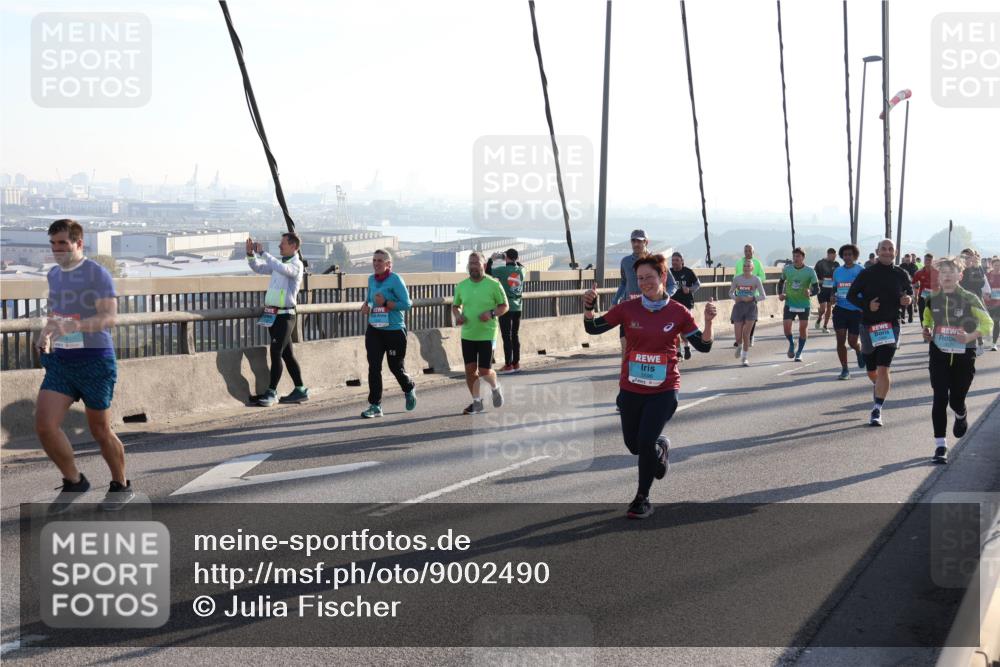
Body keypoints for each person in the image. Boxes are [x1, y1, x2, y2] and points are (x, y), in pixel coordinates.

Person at [582, 254, 716, 519]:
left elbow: (704, 345)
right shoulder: (627, 308)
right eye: (640, 278)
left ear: (663, 277)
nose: (644, 283)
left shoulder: (678, 312)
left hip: (664, 389)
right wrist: (589, 306)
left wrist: (709, 321)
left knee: (644, 442)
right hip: (631, 388)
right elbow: (593, 328)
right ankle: (660, 448)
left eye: (650, 277)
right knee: (634, 445)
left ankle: (641, 498)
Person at [35, 219, 134, 513]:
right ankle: (74, 480)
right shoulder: (54, 274)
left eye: (62, 243)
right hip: (62, 362)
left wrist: (73, 326)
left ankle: (121, 485)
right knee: (44, 425)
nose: (57, 250)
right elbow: (56, 313)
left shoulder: (96, 274)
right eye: (52, 244)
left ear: (79, 243)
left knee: (100, 431)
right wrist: (45, 334)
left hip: (95, 361)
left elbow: (108, 318)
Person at [920, 257, 992, 463]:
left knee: (956, 400)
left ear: (960, 276)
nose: (947, 275)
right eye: (943, 272)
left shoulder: (970, 298)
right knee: (940, 397)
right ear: (939, 277)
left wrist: (969, 337)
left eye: (952, 271)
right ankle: (940, 446)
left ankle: (960, 414)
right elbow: (927, 320)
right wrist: (926, 331)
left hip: (964, 355)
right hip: (939, 353)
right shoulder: (932, 298)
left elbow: (987, 324)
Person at [846, 238, 914, 426]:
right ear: (877, 251)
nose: (887, 251)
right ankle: (878, 388)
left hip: (891, 325)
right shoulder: (867, 274)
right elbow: (851, 295)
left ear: (895, 252)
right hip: (868, 326)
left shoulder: (901, 273)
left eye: (890, 249)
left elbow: (909, 292)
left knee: (884, 368)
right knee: (872, 370)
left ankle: (877, 409)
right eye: (883, 249)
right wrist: (866, 305)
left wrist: (907, 299)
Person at [246, 234, 308, 406]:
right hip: (273, 315)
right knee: (287, 355)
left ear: (293, 246)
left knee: (276, 352)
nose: (280, 246)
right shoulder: (279, 264)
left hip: (286, 316)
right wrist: (251, 254)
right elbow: (258, 268)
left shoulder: (296, 265)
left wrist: (264, 253)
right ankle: (300, 389)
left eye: (283, 244)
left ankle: (271, 392)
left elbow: (282, 268)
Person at [359, 249, 416, 418]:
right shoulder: (371, 279)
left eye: (380, 261)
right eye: (374, 260)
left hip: (394, 330)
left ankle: (409, 387)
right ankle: (375, 405)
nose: (376, 264)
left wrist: (385, 302)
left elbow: (407, 304)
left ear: (388, 264)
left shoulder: (395, 280)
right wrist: (366, 306)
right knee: (374, 367)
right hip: (375, 329)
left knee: (395, 367)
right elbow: (370, 298)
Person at [452, 251, 509, 414]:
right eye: (471, 263)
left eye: (476, 263)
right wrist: (458, 316)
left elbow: (504, 306)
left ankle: (495, 386)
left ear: (484, 265)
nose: (473, 266)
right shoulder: (461, 286)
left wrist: (491, 314)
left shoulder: (494, 284)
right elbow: (455, 306)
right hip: (468, 334)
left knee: (484, 370)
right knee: (470, 370)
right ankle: (477, 402)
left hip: (487, 333)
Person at [614, 230, 677, 358]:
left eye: (639, 241)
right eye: (633, 241)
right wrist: (614, 302)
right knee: (625, 348)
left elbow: (672, 284)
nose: (636, 244)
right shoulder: (625, 262)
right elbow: (623, 283)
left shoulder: (657, 261)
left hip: (652, 310)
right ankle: (625, 376)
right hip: (629, 310)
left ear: (646, 242)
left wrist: (664, 298)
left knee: (649, 349)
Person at [486, 248, 525, 373]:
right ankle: (516, 363)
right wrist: (509, 258)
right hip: (518, 306)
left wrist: (491, 259)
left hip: (506, 306)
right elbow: (521, 265)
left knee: (506, 336)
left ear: (506, 257)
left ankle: (508, 365)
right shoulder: (521, 270)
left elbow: (488, 273)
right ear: (517, 258)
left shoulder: (502, 270)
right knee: (515, 334)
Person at [777, 247, 820, 362]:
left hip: (804, 304)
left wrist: (810, 292)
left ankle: (799, 353)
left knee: (802, 329)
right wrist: (780, 294)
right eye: (794, 256)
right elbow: (781, 282)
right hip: (790, 302)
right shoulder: (787, 269)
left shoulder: (810, 271)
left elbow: (817, 288)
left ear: (803, 258)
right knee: (786, 329)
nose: (796, 258)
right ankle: (792, 344)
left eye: (798, 256)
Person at [831, 244, 865, 380]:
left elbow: (866, 288)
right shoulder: (837, 271)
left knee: (852, 341)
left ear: (855, 256)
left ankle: (858, 350)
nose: (847, 257)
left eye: (850, 254)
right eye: (845, 255)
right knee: (840, 340)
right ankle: (845, 369)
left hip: (856, 310)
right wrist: (833, 296)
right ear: (842, 256)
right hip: (840, 309)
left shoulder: (861, 270)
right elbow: (834, 287)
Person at [729, 258, 766, 366]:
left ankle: (745, 358)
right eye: (744, 266)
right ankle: (739, 346)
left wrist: (753, 298)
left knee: (746, 334)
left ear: (752, 268)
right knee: (738, 337)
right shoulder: (737, 279)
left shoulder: (756, 280)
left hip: (751, 308)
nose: (746, 268)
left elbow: (763, 296)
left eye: (748, 266)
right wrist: (736, 297)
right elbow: (730, 292)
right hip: (739, 307)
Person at [733, 244, 767, 348]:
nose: (747, 252)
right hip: (740, 294)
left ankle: (750, 336)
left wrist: (753, 281)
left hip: (753, 294)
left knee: (751, 318)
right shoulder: (739, 262)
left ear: (753, 252)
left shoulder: (757, 263)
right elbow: (735, 277)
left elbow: (763, 277)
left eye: (749, 250)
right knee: (741, 319)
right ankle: (741, 339)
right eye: (746, 250)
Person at [669, 252, 701, 360]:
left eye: (677, 260)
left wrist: (690, 289)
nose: (674, 263)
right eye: (673, 260)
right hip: (672, 304)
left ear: (682, 261)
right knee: (673, 329)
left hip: (686, 303)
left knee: (684, 329)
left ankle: (687, 347)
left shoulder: (688, 272)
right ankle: (678, 351)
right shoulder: (669, 272)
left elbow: (698, 284)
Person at [958, 249, 988, 356]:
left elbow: (981, 283)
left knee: (976, 322)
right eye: (965, 256)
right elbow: (960, 283)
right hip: (962, 300)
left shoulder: (977, 267)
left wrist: (975, 267)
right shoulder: (960, 268)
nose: (967, 258)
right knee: (963, 322)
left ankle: (978, 343)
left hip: (976, 300)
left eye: (969, 256)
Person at [813, 248, 840, 333]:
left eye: (835, 256)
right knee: (822, 309)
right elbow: (814, 276)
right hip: (821, 289)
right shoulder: (820, 263)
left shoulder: (836, 264)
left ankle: (825, 326)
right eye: (833, 256)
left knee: (829, 307)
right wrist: (821, 281)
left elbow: (838, 276)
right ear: (828, 254)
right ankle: (820, 318)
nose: (834, 258)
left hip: (831, 289)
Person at [913, 253, 938, 333]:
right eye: (926, 260)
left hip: (935, 296)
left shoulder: (938, 272)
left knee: (934, 314)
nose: (927, 262)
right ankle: (926, 329)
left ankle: (933, 328)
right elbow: (914, 283)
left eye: (929, 260)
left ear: (933, 261)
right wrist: (915, 292)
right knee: (922, 313)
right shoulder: (919, 272)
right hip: (923, 296)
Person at [898, 253, 919, 324]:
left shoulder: (914, 266)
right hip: (902, 286)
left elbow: (917, 276)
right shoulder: (901, 266)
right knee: (903, 302)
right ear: (904, 259)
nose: (907, 261)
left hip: (911, 285)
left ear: (910, 259)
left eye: (908, 259)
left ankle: (910, 316)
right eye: (906, 259)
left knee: (910, 302)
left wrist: (916, 284)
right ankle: (903, 317)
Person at [985, 257, 1000, 351]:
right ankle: (984, 340)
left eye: (999, 265)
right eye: (996, 265)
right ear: (992, 265)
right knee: (988, 323)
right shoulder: (987, 275)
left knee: (996, 322)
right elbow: (982, 288)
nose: (997, 267)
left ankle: (994, 344)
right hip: (988, 303)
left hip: (998, 303)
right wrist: (985, 295)